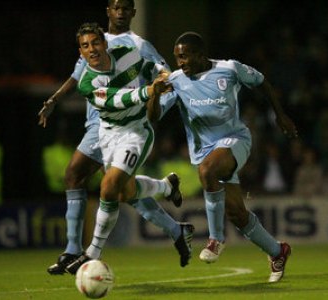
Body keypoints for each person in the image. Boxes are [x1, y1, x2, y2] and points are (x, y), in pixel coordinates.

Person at [38, 0, 193, 274]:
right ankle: (171, 207)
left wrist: (154, 107)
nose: (120, 12)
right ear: (107, 10)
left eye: (125, 8)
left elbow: (161, 75)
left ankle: (80, 252)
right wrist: (53, 99)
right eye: (115, 7)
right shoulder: (90, 69)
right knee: (124, 191)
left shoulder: (134, 46)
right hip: (102, 127)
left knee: (92, 180)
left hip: (132, 129)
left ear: (132, 12)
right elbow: (109, 94)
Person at [152, 32, 298, 282]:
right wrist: (154, 93)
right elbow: (153, 117)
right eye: (177, 58)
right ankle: (278, 251)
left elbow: (262, 82)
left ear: (200, 54)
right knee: (237, 214)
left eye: (185, 57)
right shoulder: (176, 81)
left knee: (207, 171)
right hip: (204, 151)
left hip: (235, 140)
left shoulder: (229, 69)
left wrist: (279, 115)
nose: (180, 63)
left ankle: (215, 239)